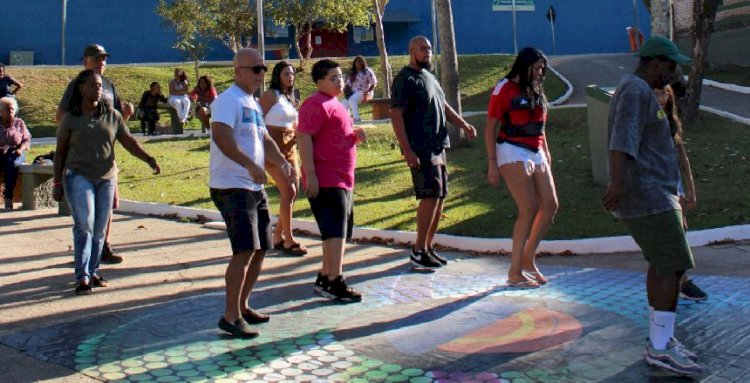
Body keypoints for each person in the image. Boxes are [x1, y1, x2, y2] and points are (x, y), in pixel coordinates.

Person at [602, 36, 701, 375]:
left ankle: (662, 339)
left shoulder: (640, 91)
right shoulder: (635, 90)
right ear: (654, 63)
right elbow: (621, 140)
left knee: (664, 264)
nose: (673, 73)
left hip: (656, 193)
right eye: (671, 66)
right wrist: (617, 184)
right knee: (674, 263)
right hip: (648, 195)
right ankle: (659, 347)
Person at [209, 48, 295, 337]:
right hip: (232, 184)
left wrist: (281, 162)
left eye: (263, 68)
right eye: (256, 68)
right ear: (238, 71)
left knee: (261, 248)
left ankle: (243, 306)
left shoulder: (254, 103)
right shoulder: (227, 101)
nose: (261, 73)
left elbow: (265, 138)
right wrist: (247, 164)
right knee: (244, 249)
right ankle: (229, 316)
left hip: (253, 185)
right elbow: (221, 136)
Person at [53, 69, 160, 295]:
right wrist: (57, 182)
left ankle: (92, 272)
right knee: (85, 224)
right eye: (93, 85)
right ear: (82, 89)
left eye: (100, 86)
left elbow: (128, 141)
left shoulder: (112, 115)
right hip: (78, 176)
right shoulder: (71, 118)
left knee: (100, 230)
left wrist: (149, 159)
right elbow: (60, 152)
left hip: (106, 178)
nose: (98, 89)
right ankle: (81, 276)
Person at [390, 36, 477, 269]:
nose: (427, 52)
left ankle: (427, 248)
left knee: (439, 197)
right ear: (411, 51)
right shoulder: (405, 79)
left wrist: (463, 125)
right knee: (429, 196)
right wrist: (406, 149)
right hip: (421, 148)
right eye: (422, 48)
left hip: (439, 146)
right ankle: (418, 250)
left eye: (429, 48)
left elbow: (444, 106)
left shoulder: (430, 76)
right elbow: (396, 115)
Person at [485, 47, 558, 288]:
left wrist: (545, 151)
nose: (539, 73)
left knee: (550, 205)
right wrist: (492, 163)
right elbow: (490, 127)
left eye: (542, 69)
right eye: (536, 68)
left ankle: (528, 258)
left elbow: (540, 123)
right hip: (511, 148)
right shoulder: (503, 88)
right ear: (524, 65)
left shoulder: (535, 87)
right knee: (529, 207)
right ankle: (514, 272)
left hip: (536, 150)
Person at [56, 43, 133, 264]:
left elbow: (115, 125)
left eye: (104, 59)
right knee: (86, 213)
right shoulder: (77, 85)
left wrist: (126, 115)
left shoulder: (109, 85)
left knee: (107, 205)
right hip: (81, 160)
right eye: (97, 58)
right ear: (85, 61)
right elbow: (61, 116)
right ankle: (85, 254)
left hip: (107, 159)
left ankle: (104, 246)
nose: (102, 63)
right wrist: (81, 132)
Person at [298, 59, 367, 302]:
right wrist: (311, 174)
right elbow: (304, 137)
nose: (339, 82)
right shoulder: (315, 103)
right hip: (327, 179)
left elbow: (336, 137)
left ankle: (326, 276)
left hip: (343, 178)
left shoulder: (338, 104)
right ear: (319, 82)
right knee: (335, 231)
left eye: (340, 77)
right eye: (333, 78)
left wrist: (355, 137)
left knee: (337, 232)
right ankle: (335, 281)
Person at [654, 85, 708, 302]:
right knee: (670, 235)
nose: (660, 98)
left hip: (674, 184)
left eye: (664, 93)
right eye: (656, 93)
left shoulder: (671, 121)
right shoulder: (648, 121)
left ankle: (680, 280)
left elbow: (682, 157)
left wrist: (691, 190)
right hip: (657, 187)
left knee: (682, 230)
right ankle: (680, 281)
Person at [258, 61, 307, 256]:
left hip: (290, 147)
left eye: (292, 74)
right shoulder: (271, 95)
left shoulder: (289, 97)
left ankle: (277, 236)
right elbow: (257, 118)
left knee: (293, 192)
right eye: (286, 73)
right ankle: (288, 238)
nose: (290, 77)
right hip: (273, 147)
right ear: (278, 75)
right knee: (288, 189)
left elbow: (294, 122)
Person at [0, 97, 30, 210]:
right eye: (7, 110)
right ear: (1, 112)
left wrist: (20, 149)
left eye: (12, 109)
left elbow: (26, 139)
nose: (10, 112)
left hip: (16, 152)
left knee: (10, 164)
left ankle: (8, 198)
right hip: (1, 152)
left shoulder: (19, 123)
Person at [341, 56, 377, 122]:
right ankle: (347, 120)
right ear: (354, 63)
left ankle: (357, 118)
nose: (358, 63)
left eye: (360, 62)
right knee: (343, 104)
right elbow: (348, 84)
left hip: (365, 92)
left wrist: (368, 92)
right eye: (357, 62)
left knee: (352, 100)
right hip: (353, 93)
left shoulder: (367, 71)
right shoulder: (353, 73)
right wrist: (345, 88)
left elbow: (373, 83)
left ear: (363, 63)